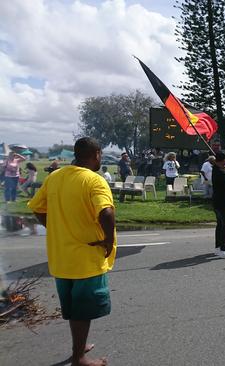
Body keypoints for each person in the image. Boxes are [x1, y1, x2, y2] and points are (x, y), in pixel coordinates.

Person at [27, 137, 116, 366]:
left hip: (61, 257)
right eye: (100, 155)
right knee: (82, 310)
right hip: (85, 257)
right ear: (96, 154)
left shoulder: (55, 177)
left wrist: (55, 226)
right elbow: (106, 212)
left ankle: (80, 345)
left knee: (73, 307)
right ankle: (79, 358)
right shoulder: (93, 180)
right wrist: (107, 239)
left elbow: (37, 207)